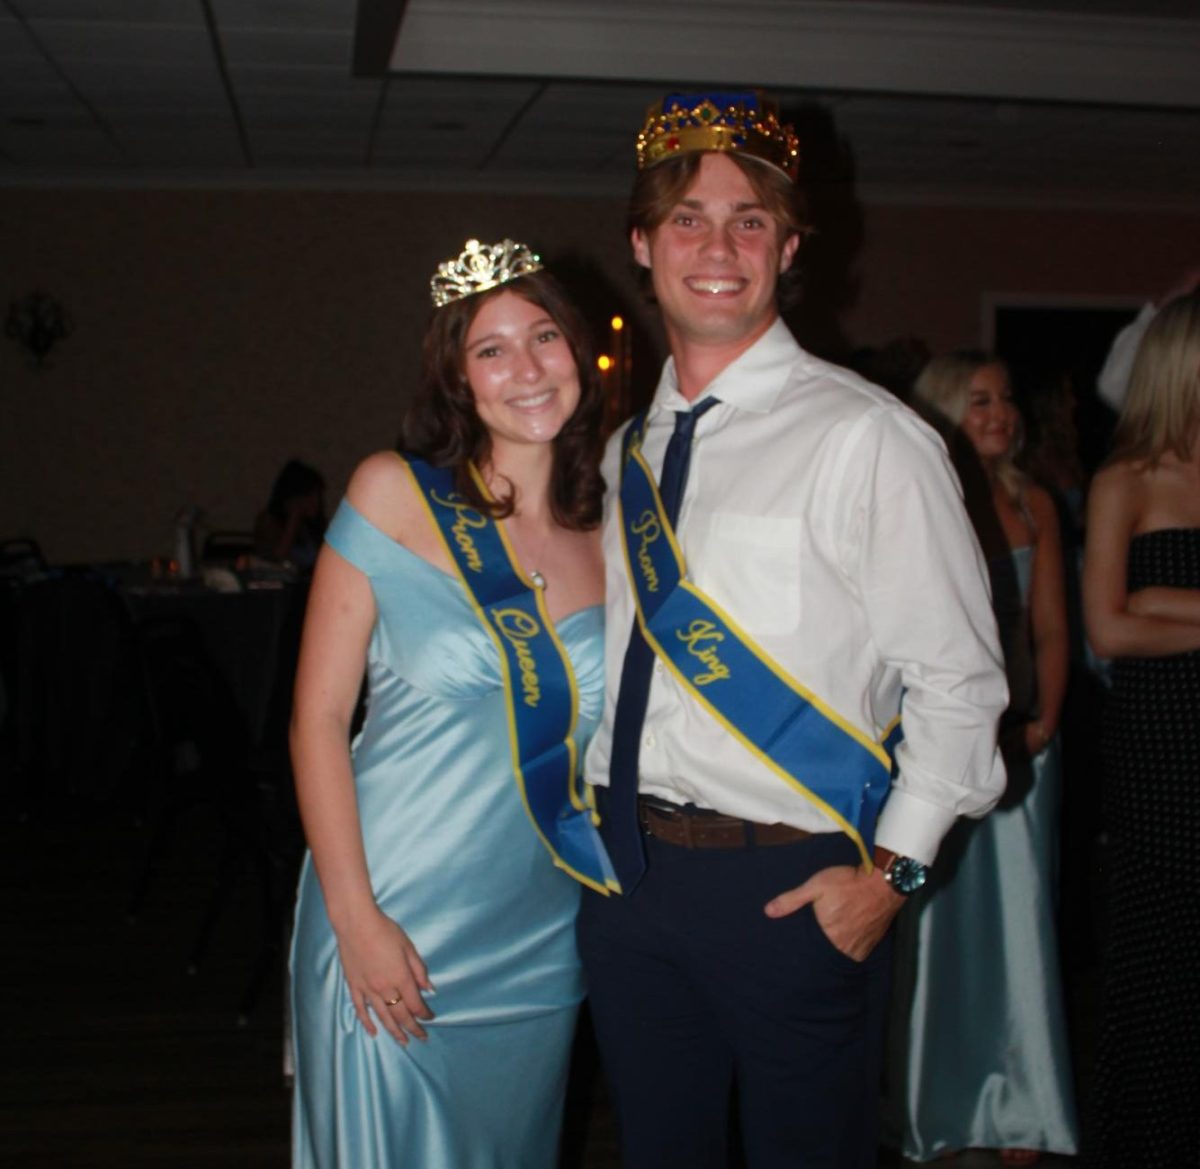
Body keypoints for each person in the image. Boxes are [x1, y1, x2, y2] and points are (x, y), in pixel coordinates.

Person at [577, 90, 1008, 1169]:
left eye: (750, 220)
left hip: (792, 887)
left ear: (790, 246)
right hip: (627, 877)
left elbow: (960, 683)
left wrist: (891, 879)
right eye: (687, 218)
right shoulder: (625, 451)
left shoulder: (870, 438)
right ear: (642, 243)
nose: (718, 248)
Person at [288, 238, 615, 1168]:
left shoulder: (611, 532)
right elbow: (316, 720)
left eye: (544, 336)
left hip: (540, 932)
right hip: (395, 909)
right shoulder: (393, 492)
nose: (528, 368)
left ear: (578, 350)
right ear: (457, 381)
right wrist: (356, 918)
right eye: (491, 349)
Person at [884, 353, 1078, 1165]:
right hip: (935, 749)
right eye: (978, 400)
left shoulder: (1035, 503)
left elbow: (1053, 628)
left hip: (1026, 747)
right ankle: (933, 1107)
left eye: (1005, 398)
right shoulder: (922, 498)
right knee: (935, 926)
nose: (999, 412)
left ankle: (1025, 1104)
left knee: (1023, 926)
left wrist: (1044, 721)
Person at [1082, 290, 1200, 1169]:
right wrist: (1142, 606)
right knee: (1163, 960)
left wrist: (1161, 598)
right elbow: (1108, 629)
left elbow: (1137, 610)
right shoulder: (1125, 479)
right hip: (1163, 746)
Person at [254, 458, 327, 567]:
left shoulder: (315, 526)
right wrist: (293, 519)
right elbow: (276, 558)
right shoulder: (268, 522)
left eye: (317, 496)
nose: (316, 502)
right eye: (309, 496)